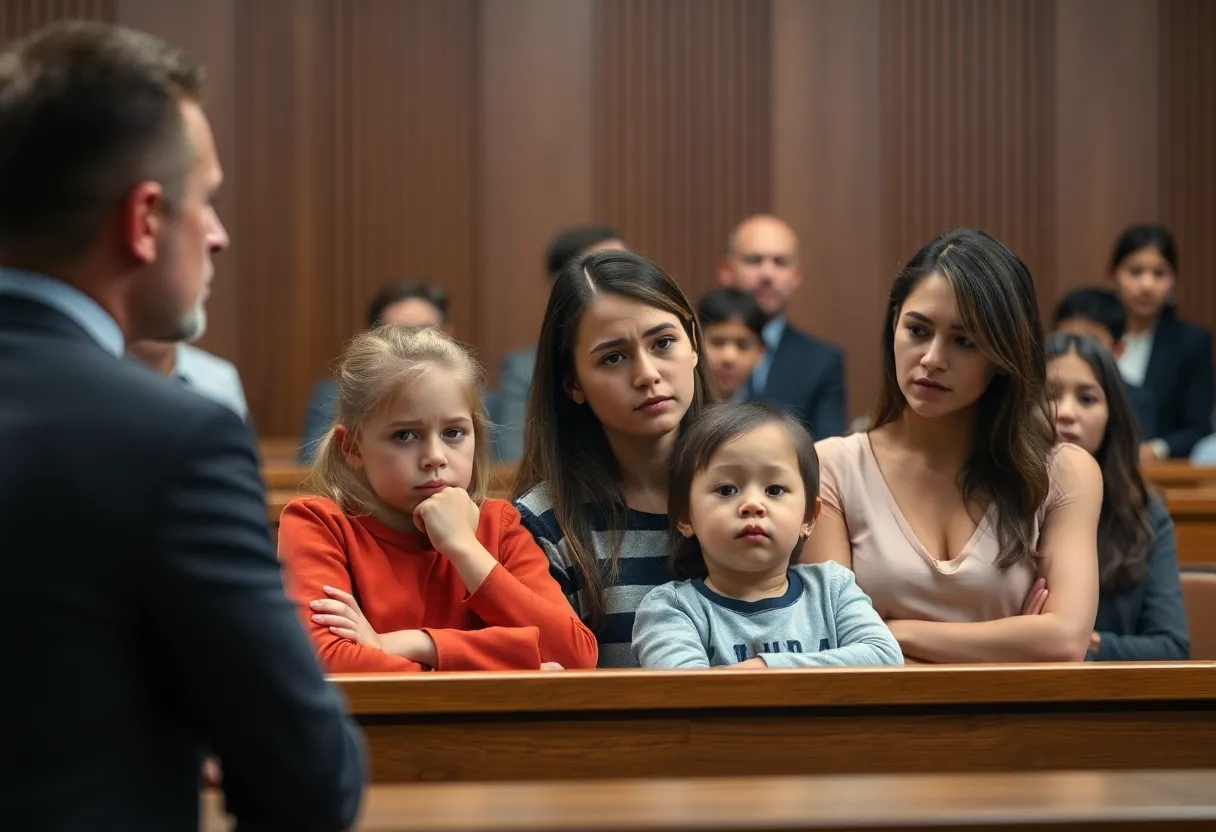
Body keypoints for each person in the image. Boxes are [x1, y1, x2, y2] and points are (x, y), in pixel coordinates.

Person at [0, 22, 363, 830]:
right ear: (144, 220)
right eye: (206, 198)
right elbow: (307, 780)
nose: (219, 235)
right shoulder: (172, 442)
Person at [804, 228, 1101, 663]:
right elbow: (833, 644)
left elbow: (1065, 641)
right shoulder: (830, 466)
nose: (932, 358)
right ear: (894, 325)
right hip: (874, 708)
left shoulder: (1064, 471)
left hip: (1022, 708)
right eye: (917, 330)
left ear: (1003, 357)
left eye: (965, 341)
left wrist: (890, 631)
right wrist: (1013, 640)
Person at [280, 325, 598, 672]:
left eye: (453, 432)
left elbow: (575, 656)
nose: (435, 456)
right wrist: (511, 666)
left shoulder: (499, 526)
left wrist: (463, 549)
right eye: (404, 435)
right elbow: (327, 663)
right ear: (353, 447)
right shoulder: (319, 525)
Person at [513, 250, 715, 667]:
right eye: (613, 358)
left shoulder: (762, 488)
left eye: (663, 343)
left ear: (694, 344)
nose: (647, 374)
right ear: (573, 383)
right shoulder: (544, 523)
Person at [632, 402, 903, 668]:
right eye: (726, 490)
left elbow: (884, 657)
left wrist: (764, 668)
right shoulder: (671, 610)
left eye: (774, 490)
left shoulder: (833, 589)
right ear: (685, 516)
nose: (753, 504)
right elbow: (686, 689)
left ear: (808, 517)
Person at [1046, 332, 1188, 661]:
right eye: (1050, 395)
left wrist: (1079, 643)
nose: (1066, 413)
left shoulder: (1144, 511)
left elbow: (1172, 647)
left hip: (1107, 690)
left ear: (1112, 415)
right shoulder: (993, 502)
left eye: (1087, 399)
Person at [496, 225, 627, 463]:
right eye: (602, 269)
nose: (623, 280)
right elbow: (513, 463)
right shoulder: (524, 371)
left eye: (625, 267)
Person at [719, 214, 846, 439]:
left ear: (796, 276)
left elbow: (827, 451)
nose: (767, 274)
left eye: (780, 262)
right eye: (754, 260)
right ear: (727, 270)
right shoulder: (692, 347)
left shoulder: (822, 361)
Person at [299, 279, 450, 462]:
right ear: (373, 339)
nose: (416, 342)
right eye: (400, 332)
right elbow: (312, 466)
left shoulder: (476, 398)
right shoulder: (335, 397)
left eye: (426, 331)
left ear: (447, 335)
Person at [1108, 224, 1214, 462]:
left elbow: (1198, 427)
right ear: (1114, 276)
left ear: (1173, 281)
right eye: (1135, 272)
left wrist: (1155, 450)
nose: (1147, 285)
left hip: (1163, 470)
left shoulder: (1192, 342)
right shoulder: (1098, 335)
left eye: (1159, 273)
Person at [1052, 286, 1156, 440]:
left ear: (1118, 349)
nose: (1075, 351)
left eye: (1090, 342)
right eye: (1067, 339)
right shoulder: (1034, 391)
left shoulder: (1139, 402)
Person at [697, 287, 766, 401]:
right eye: (718, 343)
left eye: (743, 346)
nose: (729, 357)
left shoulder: (770, 411)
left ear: (761, 352)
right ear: (695, 343)